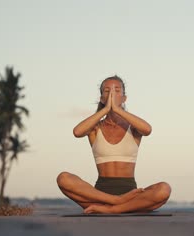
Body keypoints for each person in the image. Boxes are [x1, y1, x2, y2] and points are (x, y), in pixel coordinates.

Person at [56, 75, 171, 214]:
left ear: (124, 98)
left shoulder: (133, 127)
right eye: (106, 91)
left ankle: (114, 209)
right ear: (102, 99)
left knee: (164, 189)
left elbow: (148, 129)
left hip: (131, 195)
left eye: (117, 90)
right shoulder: (95, 128)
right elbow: (77, 132)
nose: (111, 94)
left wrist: (117, 110)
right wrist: (105, 110)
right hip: (99, 195)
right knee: (63, 178)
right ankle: (115, 203)